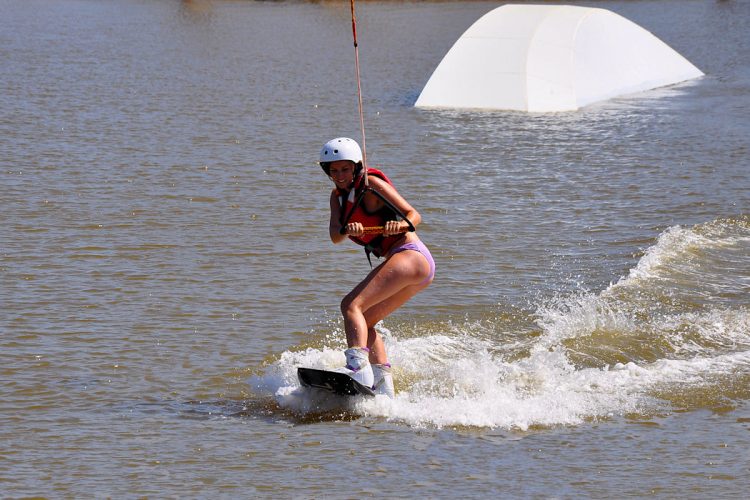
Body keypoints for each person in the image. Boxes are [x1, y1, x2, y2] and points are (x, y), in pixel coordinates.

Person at [318, 137, 436, 398]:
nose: (339, 176)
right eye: (333, 170)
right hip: (414, 268)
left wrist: (401, 225)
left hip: (411, 255)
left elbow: (414, 215)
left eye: (345, 169)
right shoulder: (337, 199)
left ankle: (356, 368)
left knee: (351, 306)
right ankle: (384, 388)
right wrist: (348, 230)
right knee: (366, 321)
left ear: (356, 167)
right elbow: (335, 236)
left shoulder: (372, 185)